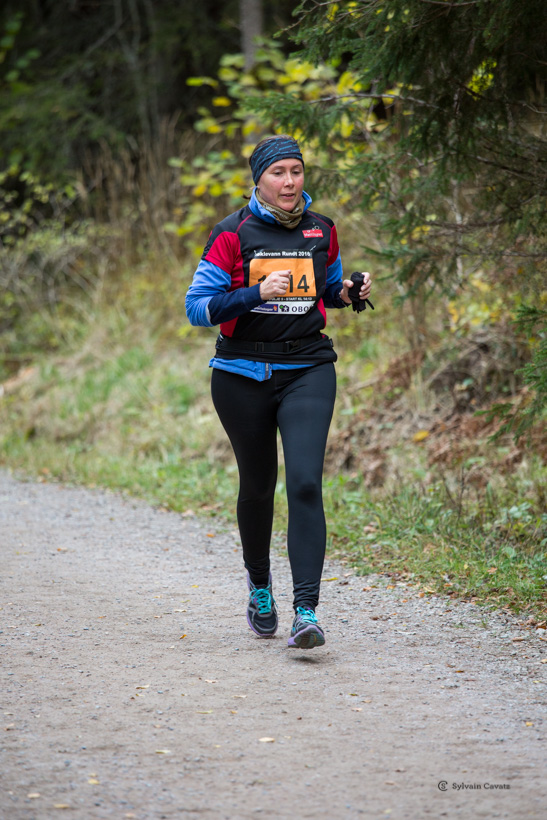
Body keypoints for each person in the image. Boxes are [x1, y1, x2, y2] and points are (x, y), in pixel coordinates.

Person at [185, 135, 372, 649]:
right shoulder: (231, 233)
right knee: (258, 485)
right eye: (278, 173)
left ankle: (306, 611)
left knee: (306, 483)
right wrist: (254, 293)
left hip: (308, 368)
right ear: (259, 179)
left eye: (296, 171)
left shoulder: (322, 229)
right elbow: (197, 308)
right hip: (241, 374)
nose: (290, 182)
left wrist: (349, 292)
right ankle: (260, 585)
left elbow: (326, 288)